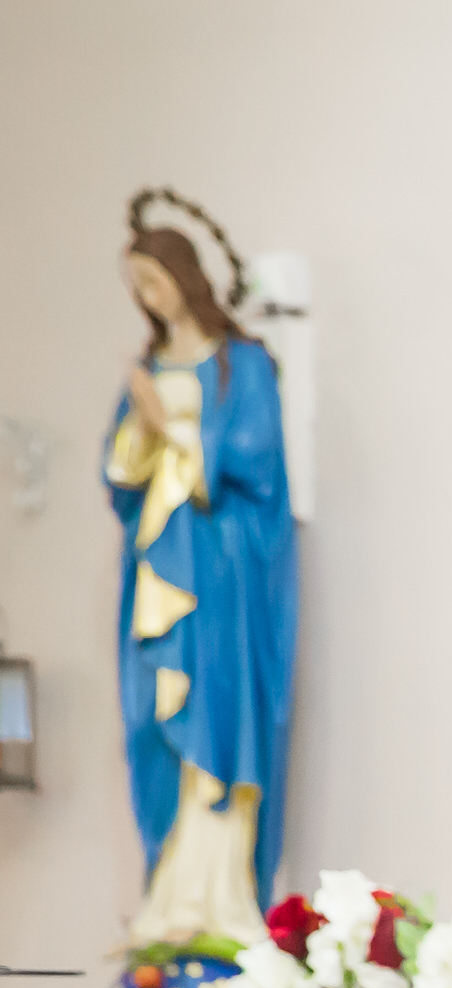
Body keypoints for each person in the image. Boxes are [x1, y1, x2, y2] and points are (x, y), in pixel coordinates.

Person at [104, 226, 297, 948]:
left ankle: (219, 899)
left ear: (184, 276)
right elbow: (120, 474)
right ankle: (169, 901)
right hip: (158, 571)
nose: (146, 298)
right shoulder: (151, 366)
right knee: (157, 721)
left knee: (214, 714)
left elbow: (256, 465)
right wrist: (142, 431)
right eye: (137, 288)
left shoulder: (240, 367)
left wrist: (172, 430)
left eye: (153, 281)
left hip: (217, 574)